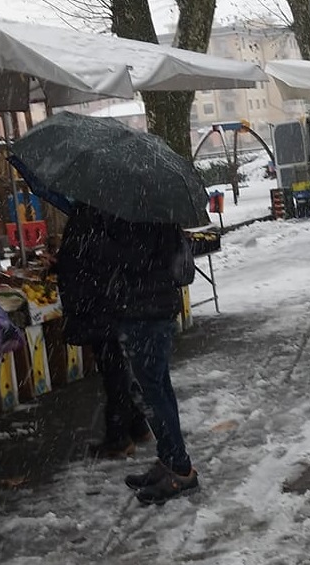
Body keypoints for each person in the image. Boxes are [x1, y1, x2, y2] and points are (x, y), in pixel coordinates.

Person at [86, 212, 199, 506]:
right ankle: (171, 460)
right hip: (148, 310)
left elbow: (135, 260)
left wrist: (101, 244)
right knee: (158, 389)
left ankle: (180, 470)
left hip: (146, 313)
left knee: (151, 394)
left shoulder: (140, 219)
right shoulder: (153, 212)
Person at [54, 205, 152, 460]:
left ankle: (119, 438)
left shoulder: (90, 217)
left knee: (115, 373)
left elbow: (85, 261)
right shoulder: (111, 214)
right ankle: (137, 426)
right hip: (109, 305)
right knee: (119, 369)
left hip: (99, 307)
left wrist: (65, 265)